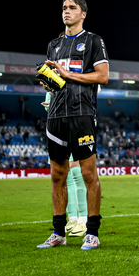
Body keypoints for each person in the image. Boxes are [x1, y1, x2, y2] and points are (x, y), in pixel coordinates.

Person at [37, 0, 109, 249]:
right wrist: (49, 81)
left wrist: (67, 74)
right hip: (55, 115)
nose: (66, 11)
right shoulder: (53, 46)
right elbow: (56, 81)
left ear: (83, 14)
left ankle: (92, 232)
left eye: (72, 8)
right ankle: (58, 233)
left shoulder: (93, 41)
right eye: (64, 7)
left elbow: (102, 76)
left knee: (89, 174)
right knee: (57, 175)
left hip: (82, 115)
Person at [42, 91, 88, 237]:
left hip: (75, 125)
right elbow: (48, 105)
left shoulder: (75, 73)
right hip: (56, 127)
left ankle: (83, 220)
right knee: (63, 177)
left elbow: (93, 90)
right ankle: (72, 218)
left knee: (76, 173)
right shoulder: (52, 77)